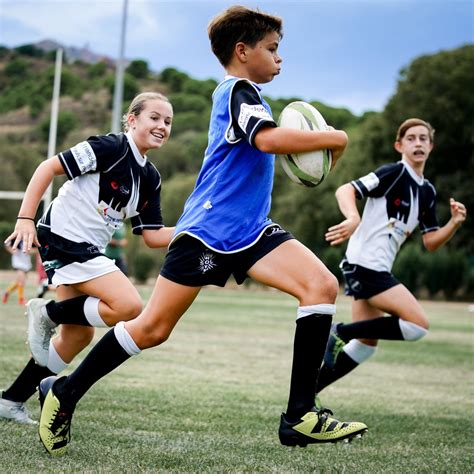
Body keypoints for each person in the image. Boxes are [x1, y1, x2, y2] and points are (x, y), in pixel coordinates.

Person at [35, 6, 368, 456]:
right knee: (151, 327)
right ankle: (65, 391)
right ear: (242, 50)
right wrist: (336, 138)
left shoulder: (254, 96)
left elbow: (279, 148)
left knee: (321, 285)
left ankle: (300, 417)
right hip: (207, 232)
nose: (279, 59)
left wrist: (326, 149)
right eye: (272, 49)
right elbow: (267, 140)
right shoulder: (236, 91)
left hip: (251, 231)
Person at [0, 92, 174, 425]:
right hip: (64, 237)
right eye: (154, 117)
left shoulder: (150, 178)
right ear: (132, 119)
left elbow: (152, 236)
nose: (161, 126)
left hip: (87, 248)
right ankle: (46, 313)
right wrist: (25, 218)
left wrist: (198, 230)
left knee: (78, 335)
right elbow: (47, 168)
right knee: (129, 306)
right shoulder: (109, 147)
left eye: (167, 121)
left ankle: (10, 401)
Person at [315, 118, 467, 398]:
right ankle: (338, 331)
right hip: (365, 264)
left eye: (424, 138)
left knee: (365, 345)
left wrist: (454, 223)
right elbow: (345, 189)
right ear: (399, 145)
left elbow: (430, 242)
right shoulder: (393, 174)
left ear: (431, 146)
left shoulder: (428, 192)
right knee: (417, 325)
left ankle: (305, 397)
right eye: (411, 138)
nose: (418, 143)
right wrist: (353, 216)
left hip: (374, 267)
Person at [2, 240, 32, 305]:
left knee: (19, 282)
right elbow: (6, 244)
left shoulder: (29, 237)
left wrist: (30, 250)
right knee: (22, 281)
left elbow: (35, 249)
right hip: (18, 262)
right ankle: (21, 300)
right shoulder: (16, 237)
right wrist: (12, 251)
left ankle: (7, 292)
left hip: (26, 263)